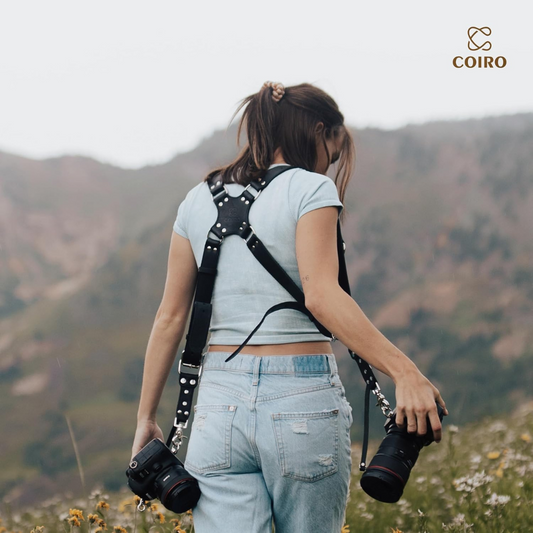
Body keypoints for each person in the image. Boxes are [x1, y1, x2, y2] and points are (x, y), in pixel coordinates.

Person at [130, 81, 448, 532]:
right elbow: (322, 295)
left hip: (218, 409)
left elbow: (169, 319)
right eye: (332, 152)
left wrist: (146, 419)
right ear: (319, 130)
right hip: (302, 401)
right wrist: (405, 372)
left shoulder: (197, 199)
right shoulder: (310, 189)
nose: (329, 163)